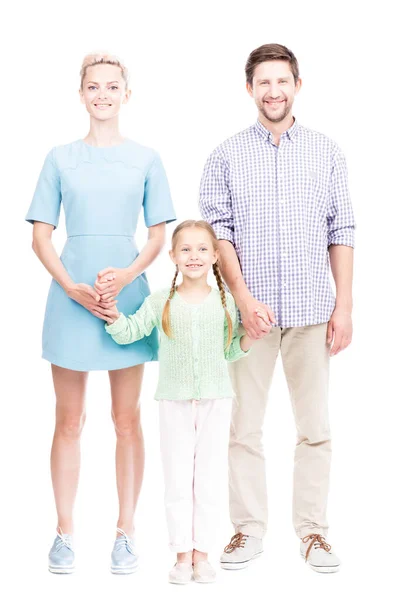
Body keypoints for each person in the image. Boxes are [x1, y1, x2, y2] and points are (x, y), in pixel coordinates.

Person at [199, 43, 356, 573]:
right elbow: (219, 234)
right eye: (263, 82)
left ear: (297, 85)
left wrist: (345, 305)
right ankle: (247, 531)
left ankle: (313, 533)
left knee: (315, 426)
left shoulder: (327, 152)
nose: (273, 91)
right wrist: (242, 299)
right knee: (243, 427)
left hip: (314, 312)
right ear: (250, 89)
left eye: (281, 81)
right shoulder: (225, 155)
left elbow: (342, 230)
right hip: (251, 318)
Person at [25, 52, 176, 574]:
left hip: (126, 302)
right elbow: (40, 235)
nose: (104, 94)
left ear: (126, 95)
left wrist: (129, 276)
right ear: (82, 93)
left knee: (127, 419)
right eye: (94, 86)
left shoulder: (146, 158)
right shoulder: (60, 158)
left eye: (113, 86)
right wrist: (71, 287)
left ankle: (126, 532)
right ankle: (64, 532)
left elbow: (159, 235)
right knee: (68, 421)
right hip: (71, 300)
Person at [98, 220, 271, 584]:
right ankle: (181, 556)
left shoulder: (224, 302)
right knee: (178, 479)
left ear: (214, 256)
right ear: (174, 256)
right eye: (186, 249)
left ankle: (202, 555)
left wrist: (251, 339)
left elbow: (229, 350)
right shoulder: (160, 300)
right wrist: (113, 317)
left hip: (216, 400)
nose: (194, 256)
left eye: (202, 249)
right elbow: (131, 331)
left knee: (207, 479)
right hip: (173, 401)